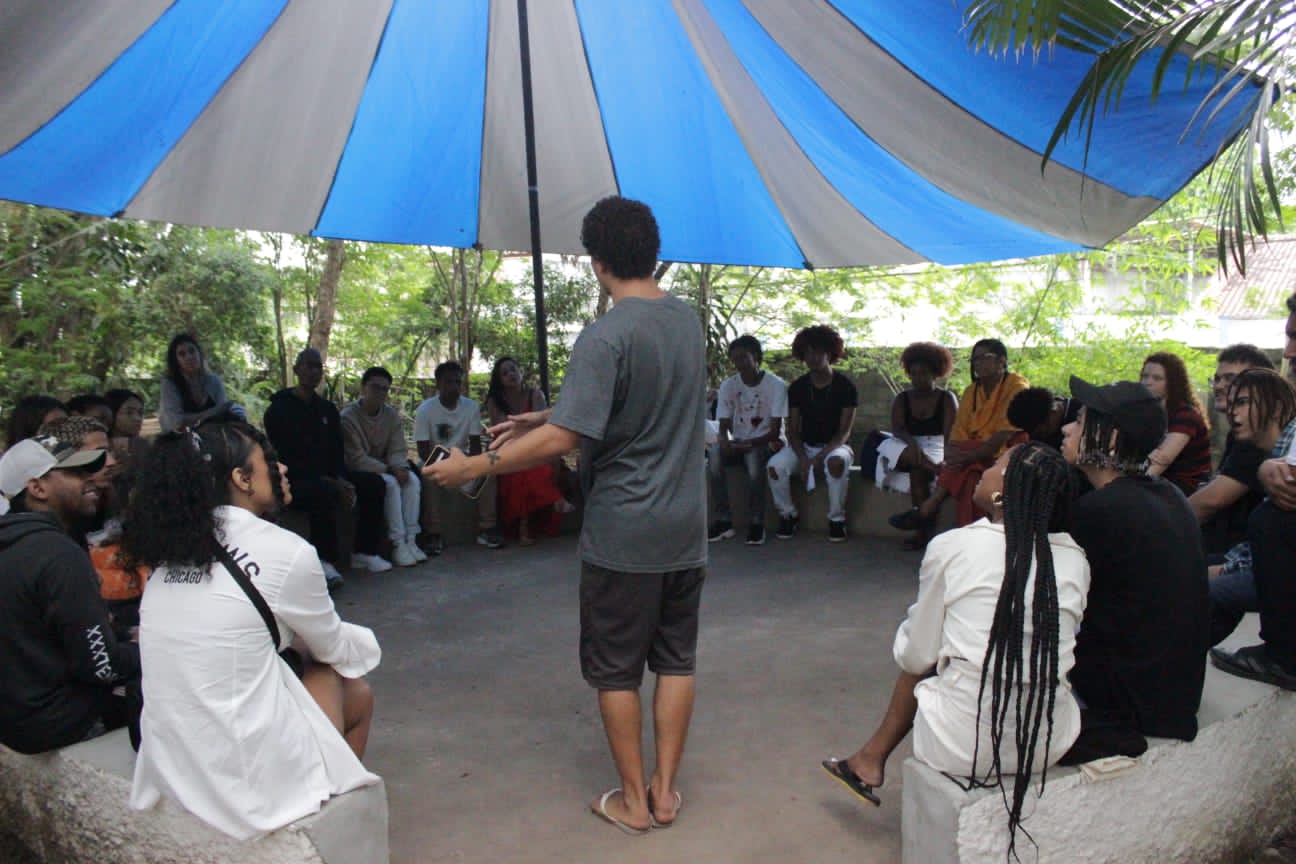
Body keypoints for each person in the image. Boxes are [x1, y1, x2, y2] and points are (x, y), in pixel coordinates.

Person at [425, 196, 705, 834]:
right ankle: (665, 792)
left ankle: (634, 802)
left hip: (624, 535)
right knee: (677, 661)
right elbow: (628, 404)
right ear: (653, 253)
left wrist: (472, 467)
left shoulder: (607, 334)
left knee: (616, 668)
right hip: (686, 531)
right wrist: (543, 413)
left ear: (597, 262)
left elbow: (565, 442)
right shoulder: (686, 322)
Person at [823, 443, 1088, 855]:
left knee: (930, 652)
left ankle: (868, 760)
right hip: (1048, 739)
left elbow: (915, 657)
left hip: (963, 744)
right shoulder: (1075, 558)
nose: (982, 471)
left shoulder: (955, 546)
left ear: (1002, 494)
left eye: (996, 466)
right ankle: (866, 761)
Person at [120, 421, 380, 840]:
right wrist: (364, 644)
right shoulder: (285, 550)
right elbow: (336, 647)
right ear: (241, 479)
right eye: (269, 461)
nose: (282, 469)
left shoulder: (171, 554)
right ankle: (329, 834)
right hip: (245, 786)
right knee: (350, 685)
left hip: (174, 770)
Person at [1060, 375, 1209, 762]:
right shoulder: (1166, 494)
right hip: (1172, 697)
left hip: (1130, 704)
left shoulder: (1103, 510)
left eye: (1079, 422)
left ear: (1109, 439)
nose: (1066, 428)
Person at [0, 434, 139, 753]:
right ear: (37, 488)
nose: (90, 480)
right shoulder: (56, 553)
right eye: (74, 474)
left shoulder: (14, 543)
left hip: (14, 721)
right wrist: (146, 648)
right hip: (58, 725)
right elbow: (101, 666)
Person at [265, 348, 392, 583]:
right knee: (322, 492)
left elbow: (336, 450)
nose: (314, 372)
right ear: (296, 370)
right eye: (308, 366)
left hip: (329, 475)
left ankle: (364, 552)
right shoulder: (279, 409)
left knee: (373, 483)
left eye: (318, 367)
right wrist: (329, 480)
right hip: (295, 479)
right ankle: (325, 561)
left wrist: (342, 478)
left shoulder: (327, 410)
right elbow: (284, 455)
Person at [1197, 369, 1296, 647]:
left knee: (1195, 587)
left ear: (1276, 408)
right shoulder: (1276, 452)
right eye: (1231, 404)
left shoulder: (1290, 447)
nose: (1231, 412)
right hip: (1264, 569)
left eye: (1241, 402)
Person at [894, 339, 1028, 531]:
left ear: (1002, 360)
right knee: (972, 478)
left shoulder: (1016, 387)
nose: (978, 363)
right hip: (974, 456)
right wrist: (955, 455)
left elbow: (1004, 434)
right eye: (975, 359)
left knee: (969, 464)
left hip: (1005, 452)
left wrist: (965, 456)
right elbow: (958, 434)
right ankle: (971, 532)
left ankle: (928, 508)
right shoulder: (972, 391)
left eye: (985, 358)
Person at [768, 325, 858, 542]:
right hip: (804, 446)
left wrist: (818, 458)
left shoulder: (846, 387)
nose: (812, 357)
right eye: (807, 352)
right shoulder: (798, 387)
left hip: (835, 447)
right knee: (774, 467)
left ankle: (837, 520)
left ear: (829, 353)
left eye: (817, 351)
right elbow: (793, 430)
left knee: (835, 464)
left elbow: (843, 433)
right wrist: (803, 458)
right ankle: (788, 514)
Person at [340, 366, 424, 568]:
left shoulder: (391, 416)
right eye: (375, 387)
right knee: (390, 484)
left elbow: (397, 448)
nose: (380, 393)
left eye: (385, 389)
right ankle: (397, 544)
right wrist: (389, 470)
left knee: (411, 480)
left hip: (388, 467)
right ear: (363, 388)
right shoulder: (348, 418)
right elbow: (355, 458)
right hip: (361, 471)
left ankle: (411, 539)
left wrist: (399, 467)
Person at [876, 342, 957, 549]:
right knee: (886, 445)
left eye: (923, 373)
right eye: (913, 374)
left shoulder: (946, 398)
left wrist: (947, 457)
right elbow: (898, 429)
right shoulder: (902, 398)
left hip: (937, 446)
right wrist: (912, 444)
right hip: (906, 446)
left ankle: (923, 534)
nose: (917, 378)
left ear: (935, 373)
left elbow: (950, 434)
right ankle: (937, 470)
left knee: (918, 473)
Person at [414, 360, 503, 552]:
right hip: (435, 459)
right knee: (427, 475)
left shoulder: (470, 407)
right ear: (438, 384)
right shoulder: (425, 410)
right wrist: (446, 465)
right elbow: (422, 451)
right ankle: (433, 533)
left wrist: (471, 466)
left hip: (463, 458)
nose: (454, 387)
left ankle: (487, 528)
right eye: (448, 382)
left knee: (489, 470)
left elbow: (476, 445)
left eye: (457, 382)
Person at [706, 335, 787, 546]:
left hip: (767, 444)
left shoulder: (776, 385)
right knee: (714, 456)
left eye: (744, 358)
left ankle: (756, 521)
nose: (739, 364)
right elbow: (723, 426)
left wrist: (747, 444)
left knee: (753, 460)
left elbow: (775, 431)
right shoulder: (728, 386)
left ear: (757, 357)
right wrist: (724, 441)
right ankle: (724, 519)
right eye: (735, 359)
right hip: (740, 443)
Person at [1198, 345, 1275, 556]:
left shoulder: (1257, 435)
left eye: (1230, 379)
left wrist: (1161, 523)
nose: (1220, 385)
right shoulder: (1237, 433)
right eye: (1217, 379)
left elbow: (1213, 500)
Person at [484, 357, 566, 546]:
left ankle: (525, 525)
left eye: (513, 369)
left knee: (534, 465)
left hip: (534, 443)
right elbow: (501, 429)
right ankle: (554, 500)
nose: (511, 375)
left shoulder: (535, 394)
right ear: (499, 380)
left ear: (520, 372)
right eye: (504, 373)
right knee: (519, 467)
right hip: (506, 446)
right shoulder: (494, 400)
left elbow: (543, 424)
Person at [1140, 351, 1211, 495]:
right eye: (1145, 376)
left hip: (1186, 492)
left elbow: (1157, 464)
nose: (1148, 382)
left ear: (1172, 383)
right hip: (1162, 487)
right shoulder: (1148, 414)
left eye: (1157, 378)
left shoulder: (1185, 415)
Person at [157, 332, 245, 432]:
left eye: (192, 351)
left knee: (237, 410)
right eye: (182, 354)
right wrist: (212, 412)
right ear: (176, 361)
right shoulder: (169, 384)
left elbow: (223, 411)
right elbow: (175, 422)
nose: (189, 357)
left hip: (213, 434)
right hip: (180, 439)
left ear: (199, 353)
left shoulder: (214, 381)